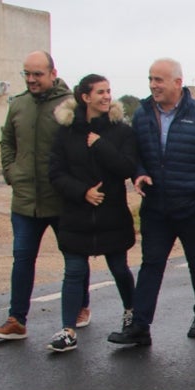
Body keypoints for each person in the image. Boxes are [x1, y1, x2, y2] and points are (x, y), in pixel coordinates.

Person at [107, 58, 195, 346]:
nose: (153, 85)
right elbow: (134, 154)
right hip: (156, 206)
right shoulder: (142, 114)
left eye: (159, 80)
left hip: (191, 206)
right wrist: (138, 173)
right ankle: (140, 326)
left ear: (177, 82)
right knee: (151, 264)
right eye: (150, 79)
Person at [0, 51, 86, 341]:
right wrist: (11, 172)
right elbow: (7, 141)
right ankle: (16, 319)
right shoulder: (18, 104)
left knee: (74, 257)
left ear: (53, 73)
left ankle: (81, 306)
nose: (31, 79)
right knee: (22, 258)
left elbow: (81, 147)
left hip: (61, 199)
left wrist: (75, 186)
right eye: (26, 74)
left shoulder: (70, 104)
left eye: (37, 74)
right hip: (25, 199)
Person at [45, 74, 139, 353]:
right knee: (74, 271)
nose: (107, 96)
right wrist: (82, 191)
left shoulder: (121, 131)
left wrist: (100, 145)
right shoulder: (65, 132)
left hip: (112, 215)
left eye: (109, 91)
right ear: (85, 97)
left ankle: (131, 312)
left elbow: (127, 167)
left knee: (120, 269)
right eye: (100, 92)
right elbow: (55, 173)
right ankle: (68, 330)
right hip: (76, 215)